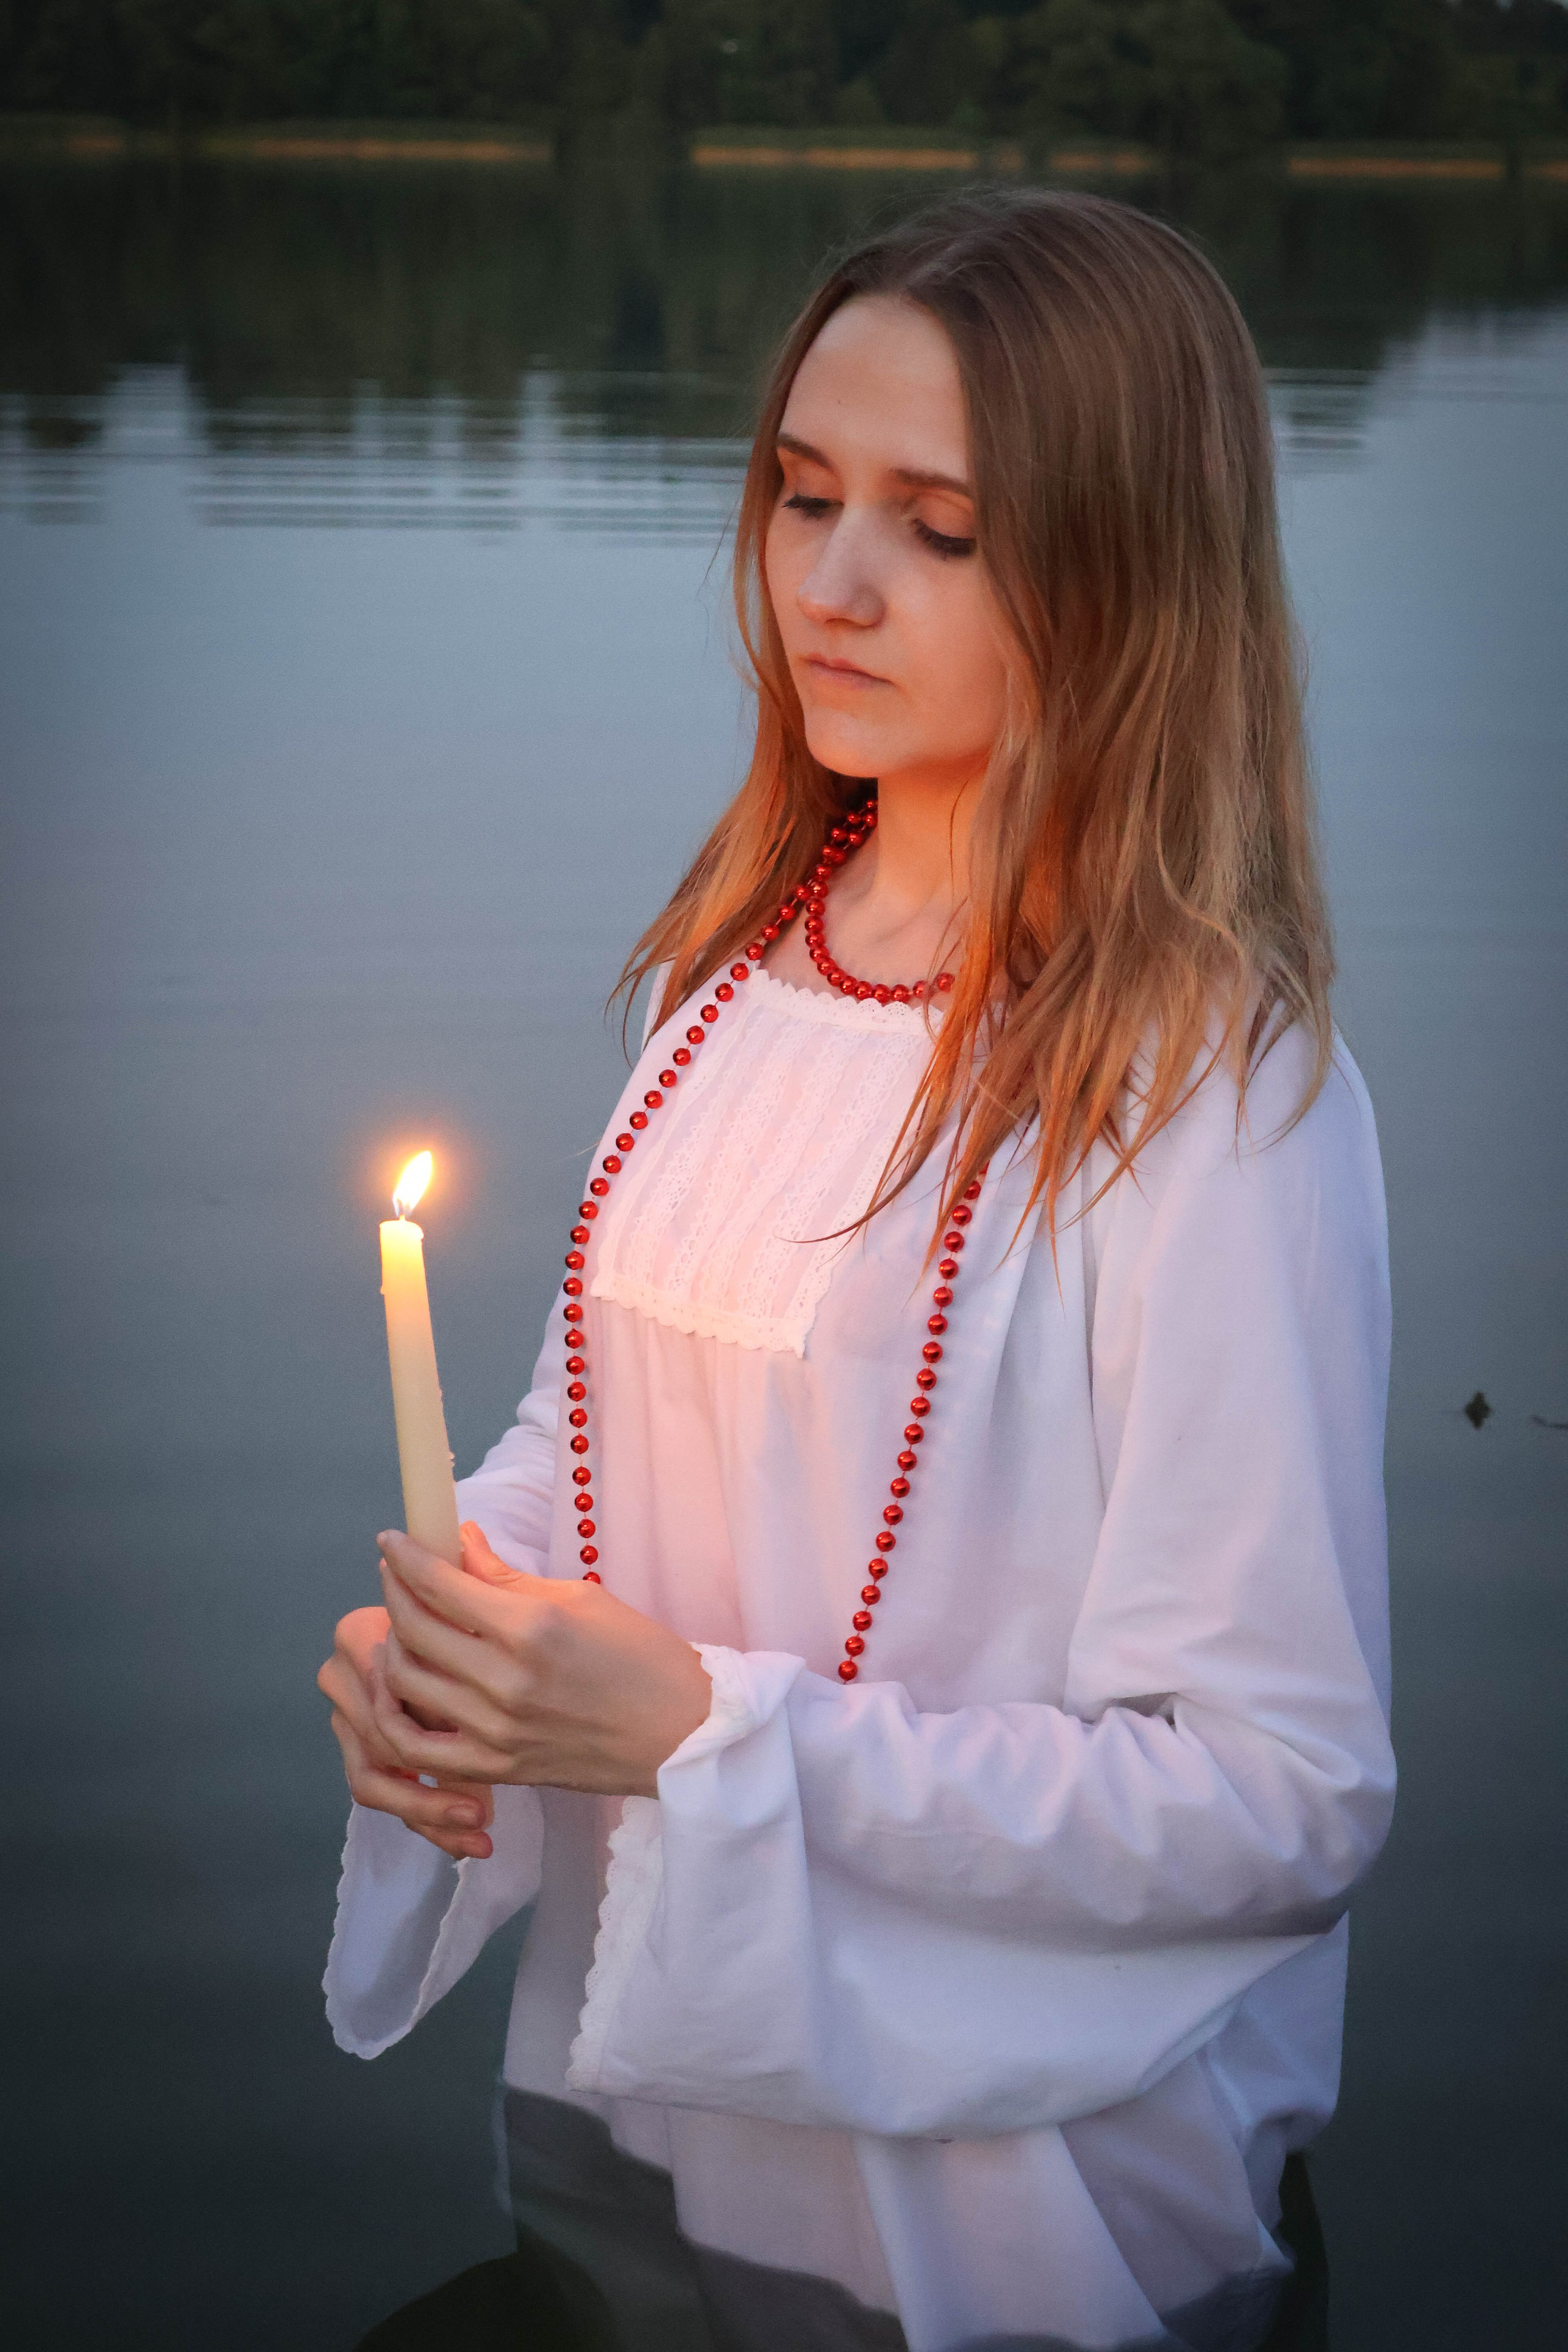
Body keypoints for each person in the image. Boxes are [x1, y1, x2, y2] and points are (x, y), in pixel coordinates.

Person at [318, 187, 1394, 2352]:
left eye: (942, 526)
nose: (828, 582)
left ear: (1127, 571)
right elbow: (588, 1437)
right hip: (659, 2071)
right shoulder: (729, 970)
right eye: (805, 495)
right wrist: (462, 1638)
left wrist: (708, 1738)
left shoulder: (1211, 1097)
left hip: (1008, 2185)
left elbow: (1281, 1798)